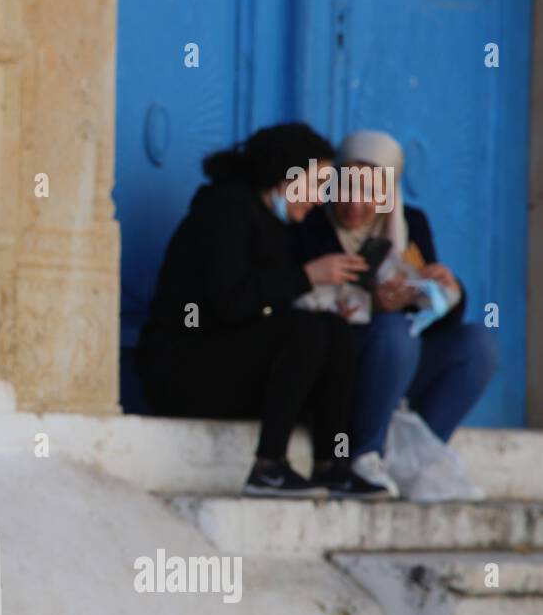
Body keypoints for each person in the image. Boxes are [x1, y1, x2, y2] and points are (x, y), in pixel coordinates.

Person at [138, 123, 391, 499]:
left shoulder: (279, 225)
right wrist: (307, 276)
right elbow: (230, 303)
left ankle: (332, 464)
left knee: (333, 330)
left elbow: (273, 304)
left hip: (234, 370)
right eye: (315, 184)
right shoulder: (223, 211)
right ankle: (268, 466)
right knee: (306, 332)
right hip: (185, 374)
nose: (320, 199)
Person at [294, 129, 497, 498]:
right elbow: (296, 303)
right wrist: (372, 302)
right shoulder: (310, 223)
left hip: (397, 364)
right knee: (392, 330)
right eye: (346, 189)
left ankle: (414, 459)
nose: (354, 205)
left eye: (369, 192)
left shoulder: (409, 224)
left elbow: (436, 313)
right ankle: (364, 455)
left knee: (475, 344)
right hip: (339, 372)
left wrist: (443, 289)